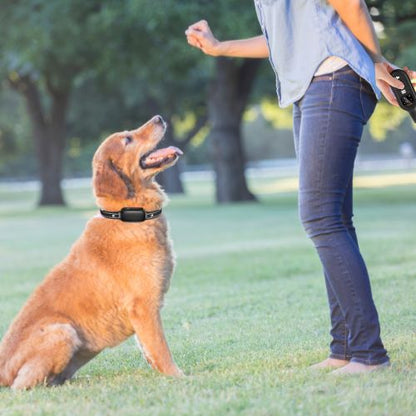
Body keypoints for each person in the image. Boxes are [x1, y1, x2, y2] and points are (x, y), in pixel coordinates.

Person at [185, 0, 416, 374]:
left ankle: (369, 354)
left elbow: (350, 3)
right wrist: (220, 46)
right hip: (312, 86)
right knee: (334, 218)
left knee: (320, 217)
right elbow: (283, 37)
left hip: (334, 77)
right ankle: (344, 348)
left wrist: (375, 58)